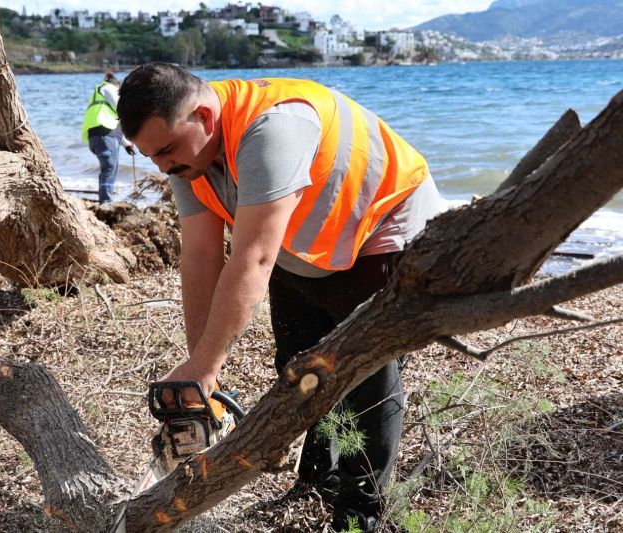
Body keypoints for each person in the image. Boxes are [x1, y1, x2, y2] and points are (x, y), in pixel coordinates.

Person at [117, 63, 448, 531]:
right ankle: (316, 481)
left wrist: (206, 368)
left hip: (381, 225)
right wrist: (200, 372)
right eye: (150, 156)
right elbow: (201, 256)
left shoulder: (272, 129)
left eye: (166, 151)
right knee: (298, 361)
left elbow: (251, 258)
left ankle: (363, 513)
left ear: (205, 117)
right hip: (309, 237)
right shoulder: (185, 157)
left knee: (367, 374)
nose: (162, 166)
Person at [82, 71, 135, 204]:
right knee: (110, 167)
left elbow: (114, 128)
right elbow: (120, 108)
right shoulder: (107, 87)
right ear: (117, 86)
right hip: (104, 134)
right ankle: (106, 202)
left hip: (97, 135)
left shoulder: (100, 99)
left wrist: (126, 144)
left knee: (108, 166)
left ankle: (105, 199)